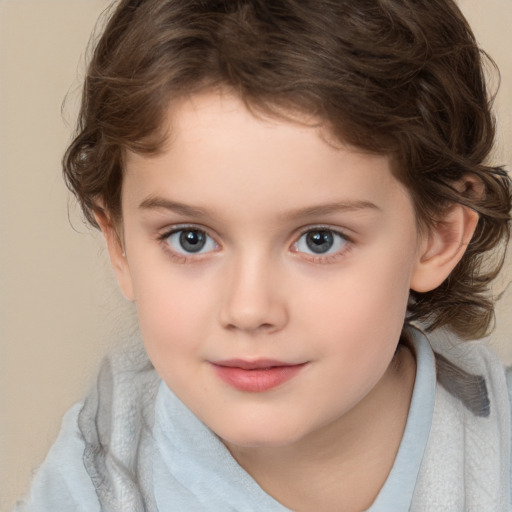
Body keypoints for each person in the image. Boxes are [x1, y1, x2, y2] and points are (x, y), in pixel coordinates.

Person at [14, 0, 512, 510]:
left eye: (320, 240)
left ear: (439, 235)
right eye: (191, 239)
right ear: (119, 244)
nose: (250, 310)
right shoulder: (95, 482)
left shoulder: (498, 459)